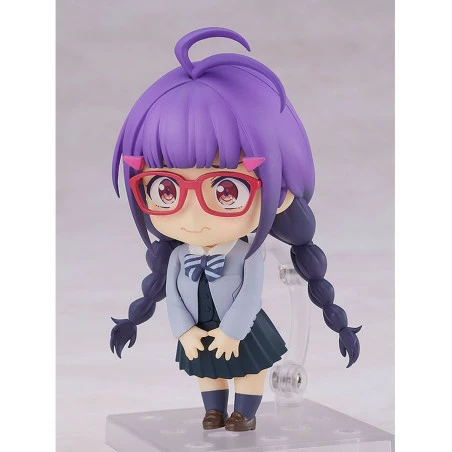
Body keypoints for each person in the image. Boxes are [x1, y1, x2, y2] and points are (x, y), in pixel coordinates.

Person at [110, 27, 361, 432]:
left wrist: (231, 332)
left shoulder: (248, 255)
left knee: (248, 370)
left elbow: (249, 295)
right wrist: (184, 331)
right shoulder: (178, 256)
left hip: (240, 329)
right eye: (165, 189)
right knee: (206, 372)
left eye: (226, 189)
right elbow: (173, 297)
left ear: (280, 195)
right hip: (200, 330)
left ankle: (244, 412)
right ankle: (213, 410)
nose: (192, 216)